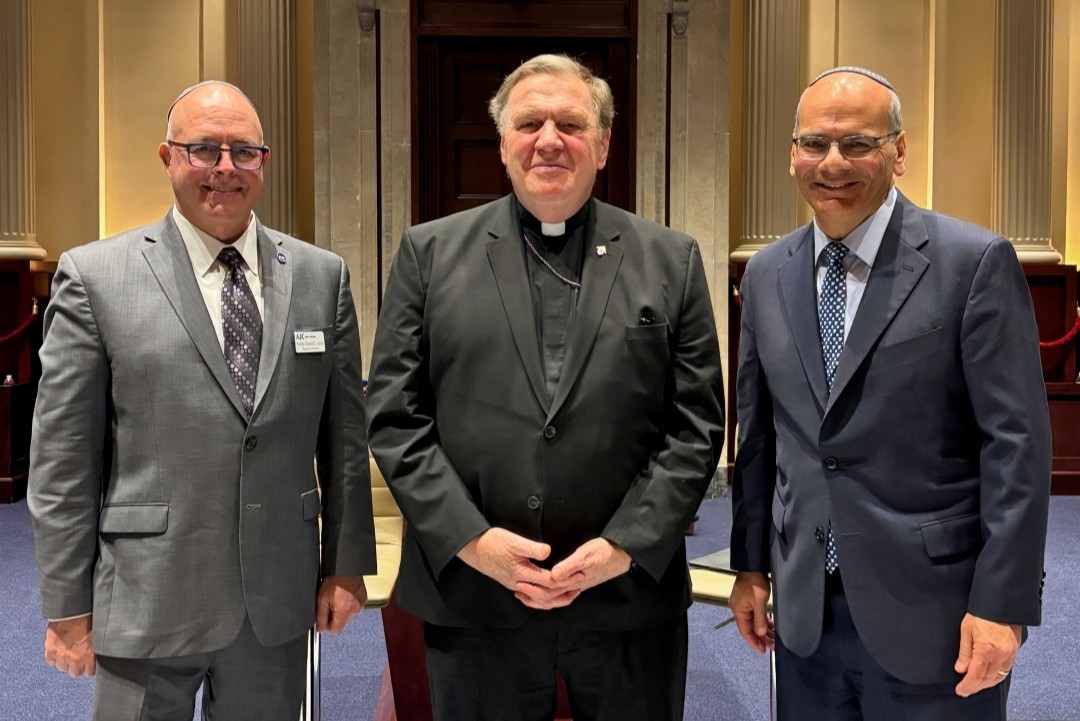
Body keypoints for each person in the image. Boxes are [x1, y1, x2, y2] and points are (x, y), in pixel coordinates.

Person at [365, 54, 725, 721]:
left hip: (627, 600)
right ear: (503, 144)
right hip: (474, 597)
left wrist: (624, 546)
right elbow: (394, 417)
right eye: (530, 123)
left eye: (571, 124)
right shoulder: (428, 254)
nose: (550, 140)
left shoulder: (670, 260)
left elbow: (696, 426)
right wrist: (474, 541)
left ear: (604, 145)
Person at [27, 80, 375, 721]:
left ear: (263, 161)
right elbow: (63, 461)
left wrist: (346, 565)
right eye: (204, 150)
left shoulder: (321, 276)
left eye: (244, 152)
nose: (225, 169)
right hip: (147, 594)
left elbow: (345, 442)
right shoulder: (96, 278)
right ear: (167, 157)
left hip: (276, 597)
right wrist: (67, 604)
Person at [728, 66, 1051, 720]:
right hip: (804, 611)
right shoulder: (765, 273)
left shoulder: (972, 262)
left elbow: (1015, 447)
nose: (833, 163)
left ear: (898, 151)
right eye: (814, 143)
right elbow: (760, 436)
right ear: (792, 154)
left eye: (858, 143)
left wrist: (1003, 603)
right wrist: (750, 565)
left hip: (936, 612)